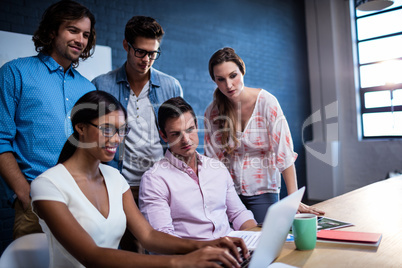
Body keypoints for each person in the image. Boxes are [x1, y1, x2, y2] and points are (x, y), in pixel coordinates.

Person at [31, 90, 249, 268]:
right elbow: (91, 256)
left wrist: (209, 245)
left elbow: (148, 236)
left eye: (121, 131)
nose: (116, 139)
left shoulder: (115, 178)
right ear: (80, 128)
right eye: (107, 129)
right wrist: (182, 261)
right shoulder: (48, 185)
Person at [0, 0, 96, 240]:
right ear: (52, 31)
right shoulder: (15, 72)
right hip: (35, 201)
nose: (80, 40)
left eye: (85, 34)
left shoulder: (88, 87)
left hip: (82, 200)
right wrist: (24, 193)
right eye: (72, 30)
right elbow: (1, 140)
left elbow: (93, 146)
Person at [204, 47, 325, 224]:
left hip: (263, 190)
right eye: (220, 79)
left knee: (265, 240)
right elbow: (213, 161)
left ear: (242, 71)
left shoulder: (267, 102)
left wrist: (294, 199)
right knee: (234, 246)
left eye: (233, 76)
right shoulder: (212, 112)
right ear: (214, 81)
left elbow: (284, 153)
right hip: (228, 193)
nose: (228, 85)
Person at [92, 16, 183, 204]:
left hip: (161, 185)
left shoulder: (171, 86)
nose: (147, 60)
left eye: (153, 53)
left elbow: (178, 136)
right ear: (126, 45)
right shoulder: (101, 84)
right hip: (116, 185)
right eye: (140, 52)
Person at [139, 97, 257, 241]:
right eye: (176, 134)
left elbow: (238, 214)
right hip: (194, 258)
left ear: (196, 125)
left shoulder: (217, 169)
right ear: (163, 135)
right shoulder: (154, 179)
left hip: (233, 252)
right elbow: (162, 237)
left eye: (190, 130)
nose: (186, 140)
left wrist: (256, 237)